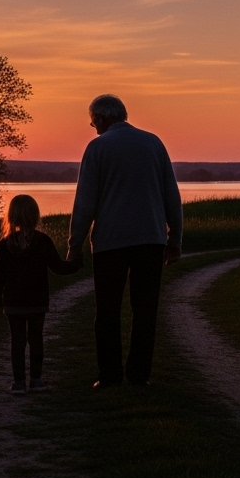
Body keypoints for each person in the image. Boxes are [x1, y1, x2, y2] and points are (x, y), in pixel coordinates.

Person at [68, 94, 182, 388]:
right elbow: (171, 195)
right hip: (151, 240)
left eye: (93, 123)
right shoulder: (153, 143)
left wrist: (74, 246)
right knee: (145, 311)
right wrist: (175, 239)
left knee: (107, 312)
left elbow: (85, 202)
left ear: (101, 119)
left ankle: (110, 376)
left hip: (110, 242)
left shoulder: (98, 148)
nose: (94, 128)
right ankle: (139, 376)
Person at [0, 194, 81, 394]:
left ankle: (19, 383)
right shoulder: (43, 241)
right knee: (36, 339)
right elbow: (58, 267)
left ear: (11, 216)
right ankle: (36, 380)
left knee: (18, 341)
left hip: (13, 303)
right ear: (35, 215)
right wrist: (76, 263)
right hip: (37, 301)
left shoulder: (5, 244)